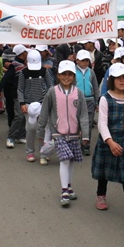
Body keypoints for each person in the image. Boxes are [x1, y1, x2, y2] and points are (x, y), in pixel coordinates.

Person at [37, 60, 89, 206]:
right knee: (65, 160)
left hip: (74, 133)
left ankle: (69, 185)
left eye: (70, 74)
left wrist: (85, 134)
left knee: (71, 160)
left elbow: (84, 115)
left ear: (74, 76)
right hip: (58, 132)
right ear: (58, 75)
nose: (66, 77)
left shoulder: (78, 93)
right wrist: (40, 131)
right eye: (63, 74)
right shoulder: (52, 92)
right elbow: (45, 112)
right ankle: (64, 190)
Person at [91, 63, 124, 211]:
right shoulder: (105, 99)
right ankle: (101, 195)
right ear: (112, 80)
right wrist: (110, 142)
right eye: (118, 78)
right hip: (108, 141)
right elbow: (102, 124)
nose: (122, 81)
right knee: (104, 172)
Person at [19, 49, 54, 162]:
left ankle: (43, 152)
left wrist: (49, 102)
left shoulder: (44, 71)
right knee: (31, 129)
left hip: (42, 103)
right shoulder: (23, 73)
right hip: (28, 105)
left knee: (42, 129)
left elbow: (50, 86)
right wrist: (22, 103)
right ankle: (29, 151)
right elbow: (20, 89)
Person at [0, 44, 28, 149]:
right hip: (17, 94)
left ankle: (20, 135)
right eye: (26, 52)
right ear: (22, 54)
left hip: (25, 94)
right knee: (19, 116)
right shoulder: (14, 65)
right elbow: (5, 78)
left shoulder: (24, 64)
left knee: (24, 115)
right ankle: (11, 137)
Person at [74, 49, 99, 156]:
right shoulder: (73, 71)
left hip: (89, 100)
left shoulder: (91, 72)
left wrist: (97, 101)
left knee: (87, 124)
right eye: (83, 60)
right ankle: (75, 144)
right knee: (76, 123)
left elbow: (95, 87)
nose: (85, 63)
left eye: (87, 60)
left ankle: (86, 145)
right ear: (77, 61)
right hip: (76, 100)